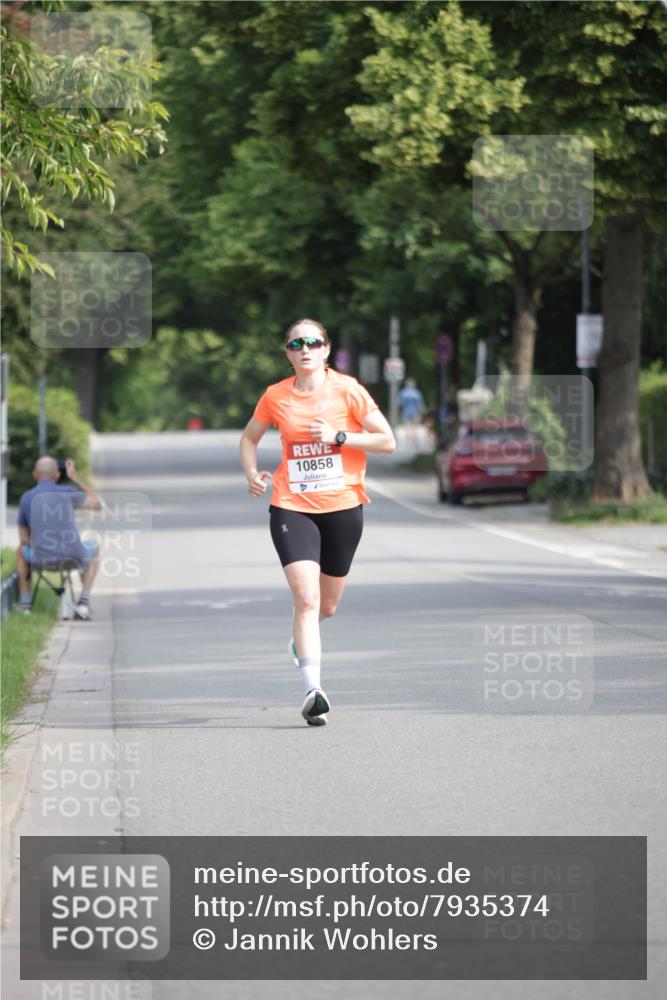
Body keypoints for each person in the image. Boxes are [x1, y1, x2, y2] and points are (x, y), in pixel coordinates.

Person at [240, 319, 396, 726]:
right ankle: (314, 691)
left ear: (326, 349)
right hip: (292, 504)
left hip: (344, 506)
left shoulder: (347, 390)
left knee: (327, 605)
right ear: (288, 352)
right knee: (306, 600)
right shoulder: (275, 396)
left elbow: (387, 441)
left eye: (313, 342)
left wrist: (340, 437)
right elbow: (249, 438)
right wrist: (252, 472)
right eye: (297, 343)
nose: (305, 348)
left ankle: (300, 640)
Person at [16, 456, 102, 619]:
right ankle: (83, 603)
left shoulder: (26, 498)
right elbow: (97, 505)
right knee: (94, 546)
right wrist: (75, 478)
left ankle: (25, 605)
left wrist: (39, 545)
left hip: (41, 560)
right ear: (57, 475)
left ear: (35, 474)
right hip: (73, 558)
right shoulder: (68, 492)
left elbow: (23, 538)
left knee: (20, 551)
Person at [398, 377, 425, 448]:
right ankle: (414, 440)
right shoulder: (417, 393)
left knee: (407, 426)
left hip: (406, 411)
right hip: (415, 411)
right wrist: (421, 411)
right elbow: (420, 404)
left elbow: (400, 403)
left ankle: (408, 441)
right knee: (415, 426)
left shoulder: (403, 392)